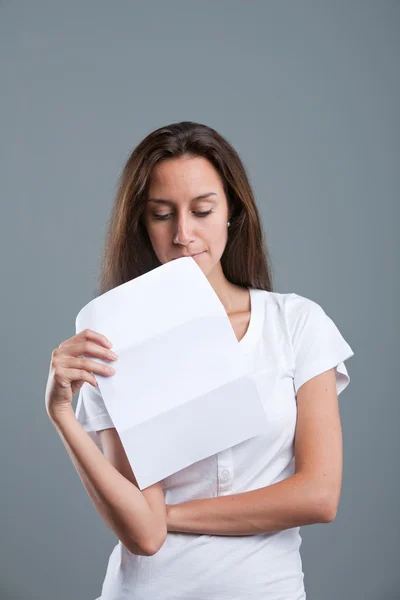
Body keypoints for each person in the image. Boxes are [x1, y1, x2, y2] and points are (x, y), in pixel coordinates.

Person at [45, 121, 355, 599]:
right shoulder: (116, 343)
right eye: (162, 214)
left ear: (233, 211)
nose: (184, 234)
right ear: (142, 225)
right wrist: (61, 413)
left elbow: (318, 495)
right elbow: (143, 537)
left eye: (203, 210)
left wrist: (168, 514)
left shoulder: (295, 324)